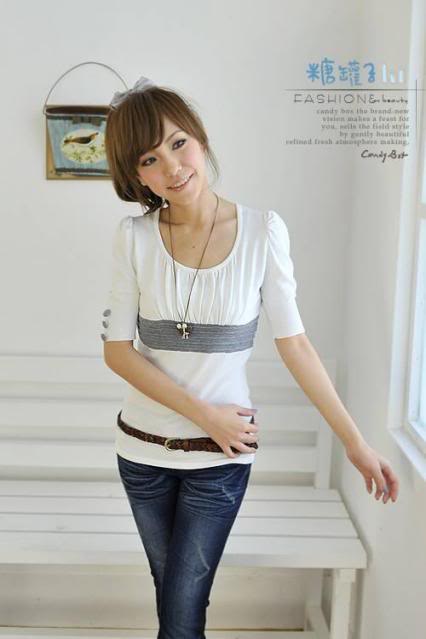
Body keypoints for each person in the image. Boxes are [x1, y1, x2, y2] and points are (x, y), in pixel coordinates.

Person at [101, 76, 399, 639]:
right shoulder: (133, 237)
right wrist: (204, 413)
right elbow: (118, 353)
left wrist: (356, 444)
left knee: (183, 608)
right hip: (141, 453)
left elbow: (296, 346)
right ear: (136, 175)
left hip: (220, 457)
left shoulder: (263, 232)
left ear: (200, 138)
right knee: (172, 598)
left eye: (178, 143)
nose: (172, 167)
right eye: (149, 159)